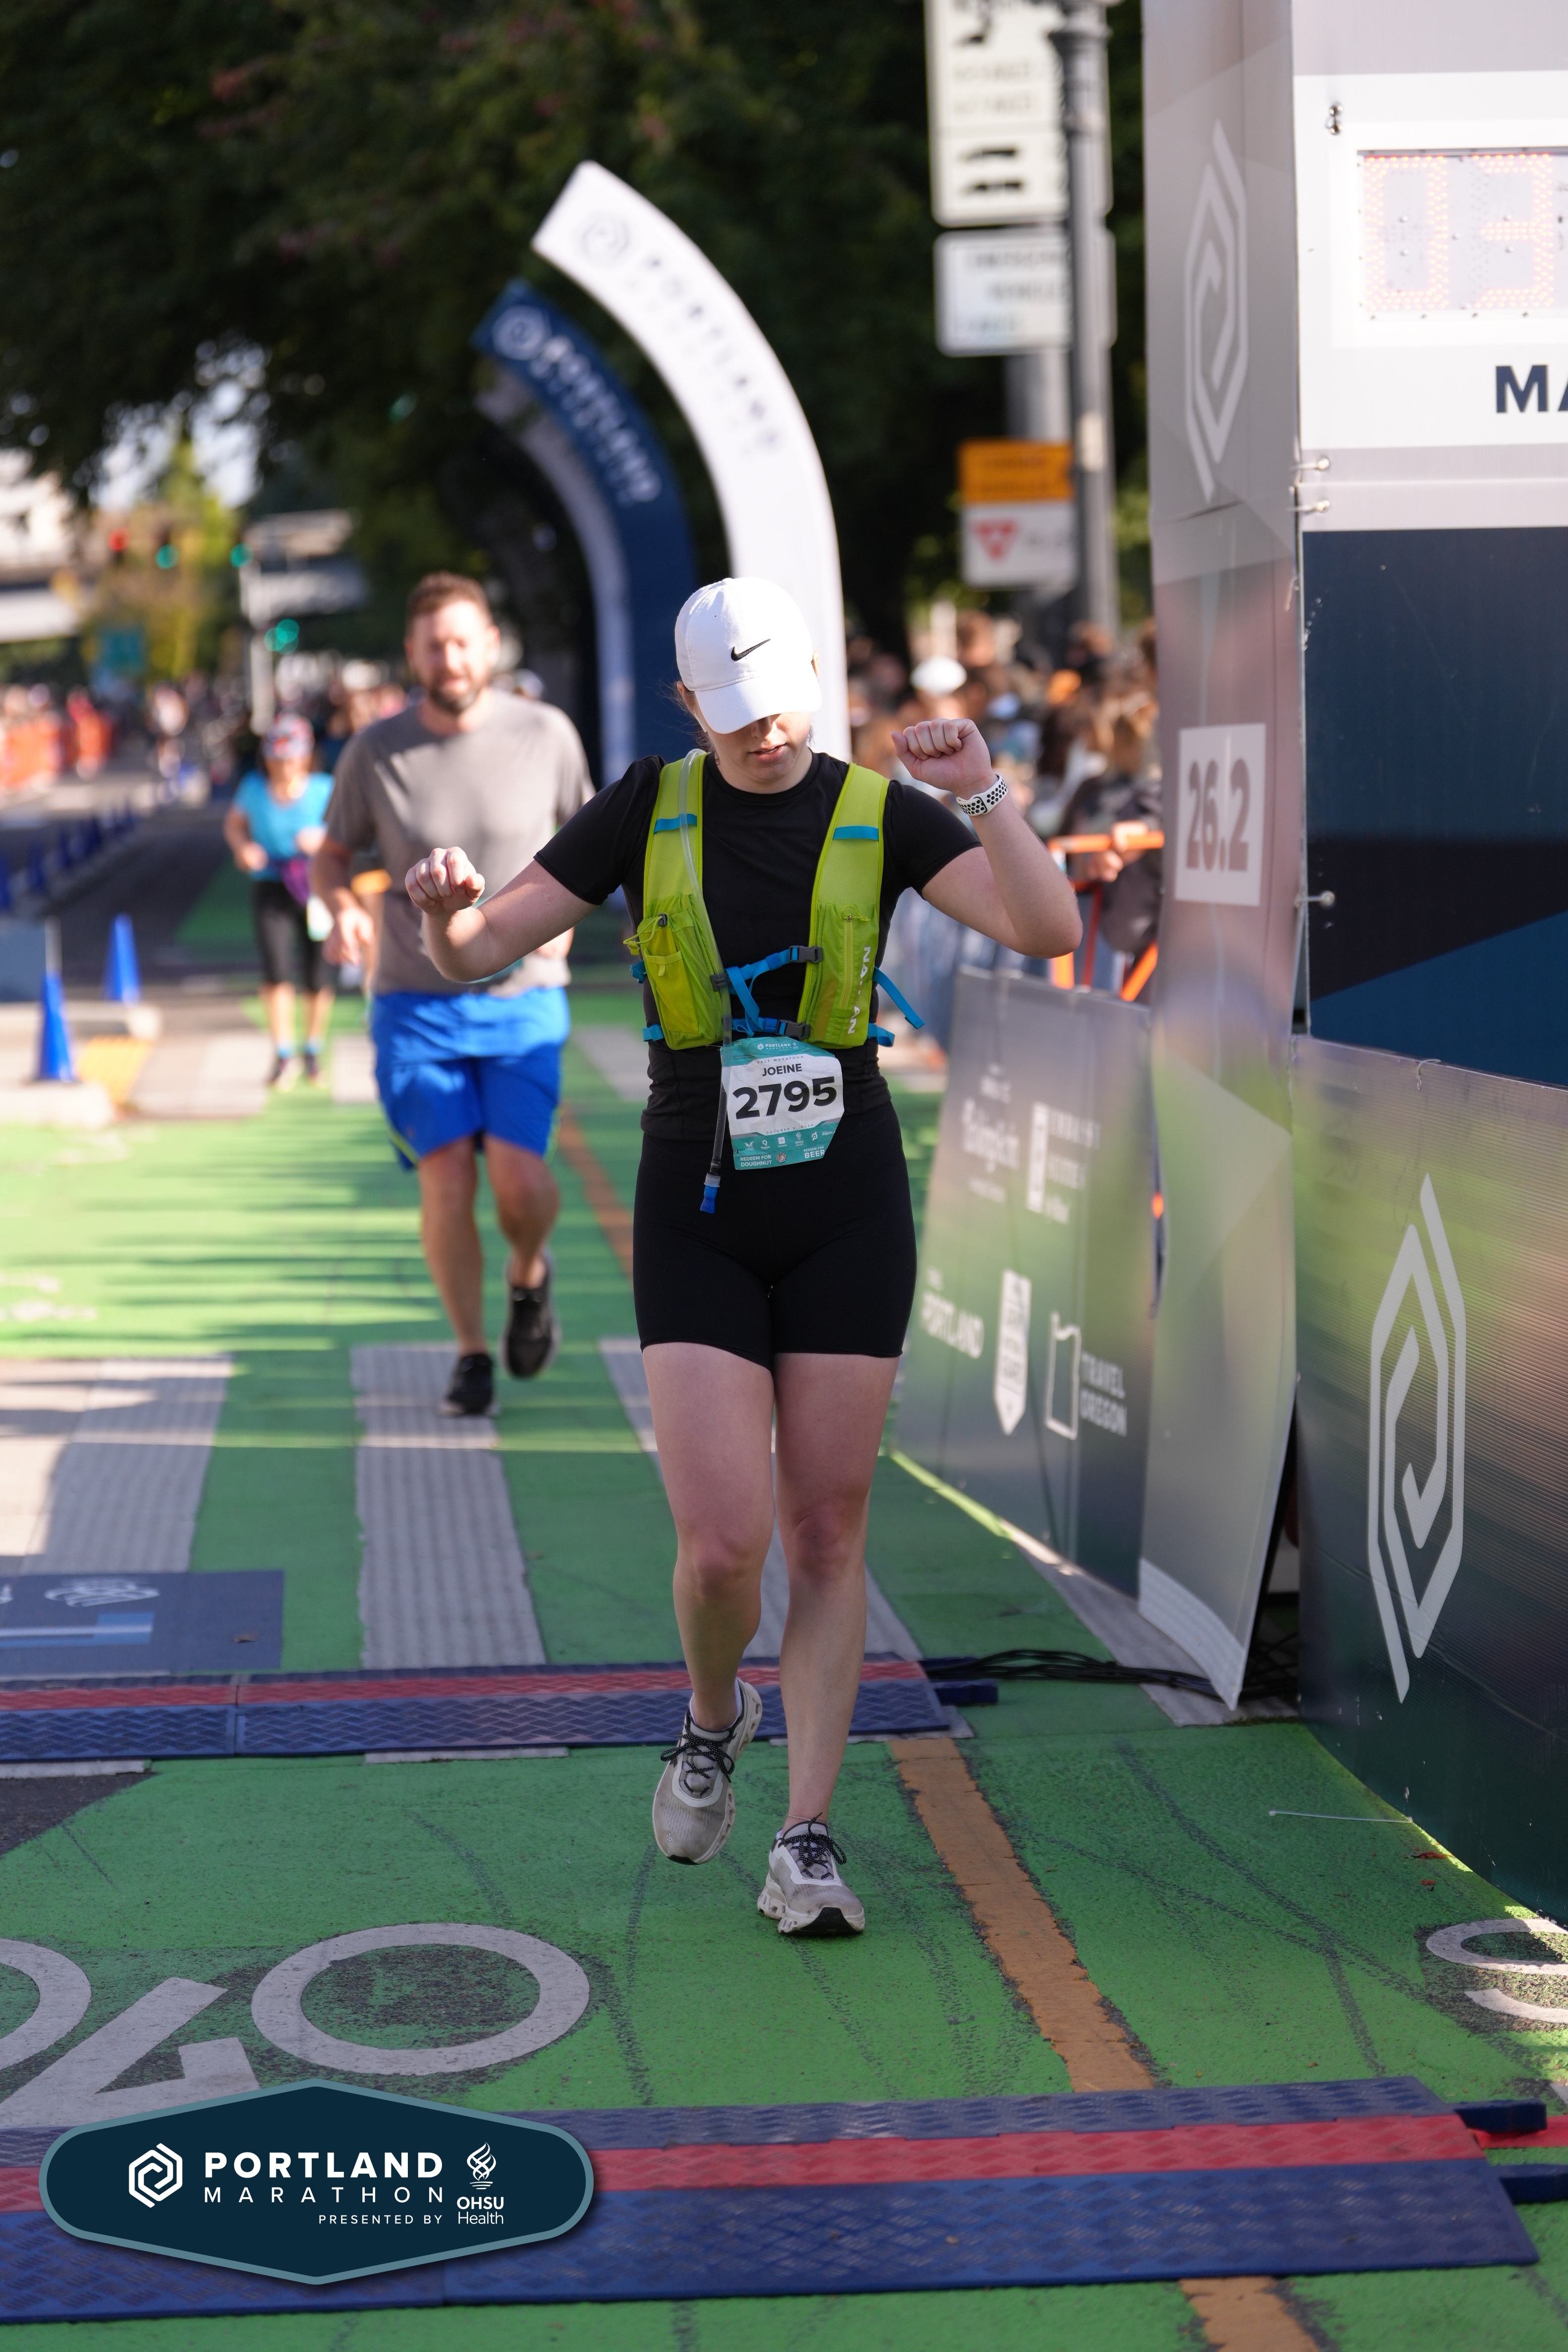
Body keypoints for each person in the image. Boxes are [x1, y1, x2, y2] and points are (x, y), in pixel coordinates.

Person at [403, 577, 1081, 1935]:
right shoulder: (643, 807)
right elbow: (478, 950)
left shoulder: (880, 809)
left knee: (827, 1528)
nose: (762, 733)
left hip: (846, 1206)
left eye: (776, 706)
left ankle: (807, 1837)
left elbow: (1049, 929)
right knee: (722, 1544)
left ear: (814, 677)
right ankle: (713, 1717)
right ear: (686, 707)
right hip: (697, 1206)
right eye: (730, 714)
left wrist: (987, 792)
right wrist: (442, 908)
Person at [311, 573, 591, 1418]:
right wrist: (339, 908)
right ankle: (471, 1351)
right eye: (434, 645)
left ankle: (529, 1274)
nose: (451, 658)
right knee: (444, 1183)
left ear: (491, 644)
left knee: (519, 1184)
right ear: (412, 653)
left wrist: (568, 921)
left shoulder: (546, 734)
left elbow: (594, 842)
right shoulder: (375, 750)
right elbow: (332, 854)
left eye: (464, 641)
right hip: (414, 1000)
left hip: (521, 995)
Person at [222, 712, 336, 1089]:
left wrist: (321, 840)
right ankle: (283, 1053)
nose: (285, 766)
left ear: (306, 757)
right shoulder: (253, 789)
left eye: (292, 758)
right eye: (278, 758)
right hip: (271, 885)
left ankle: (313, 1049)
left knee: (318, 974)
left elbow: (350, 834)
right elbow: (234, 825)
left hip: (316, 887)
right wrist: (244, 849)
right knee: (276, 970)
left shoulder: (324, 788)